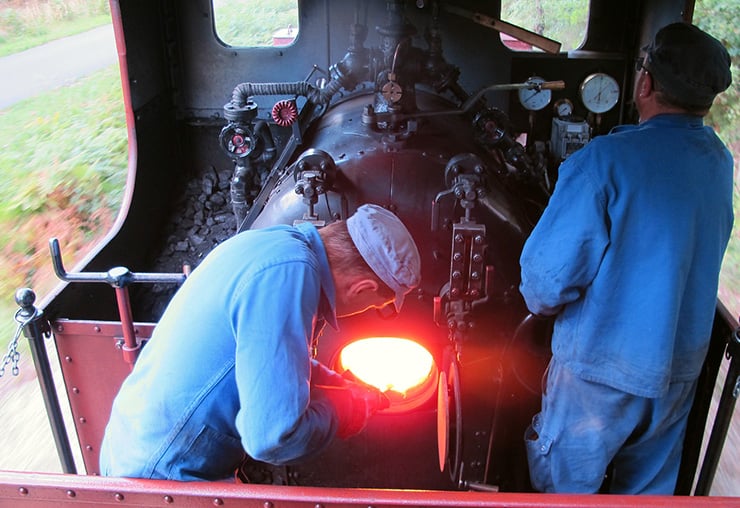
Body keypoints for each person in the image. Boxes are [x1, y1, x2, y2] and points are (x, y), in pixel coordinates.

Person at [519, 22, 733, 495]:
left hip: (598, 373)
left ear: (646, 82)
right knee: (646, 499)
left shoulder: (604, 162)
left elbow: (543, 284)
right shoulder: (719, 162)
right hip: (677, 373)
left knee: (565, 493)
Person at [99, 203, 421, 481]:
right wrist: (346, 408)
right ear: (362, 289)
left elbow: (267, 358)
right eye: (378, 305)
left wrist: (339, 383)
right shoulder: (290, 275)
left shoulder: (277, 245)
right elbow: (273, 438)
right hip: (162, 477)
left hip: (133, 446)